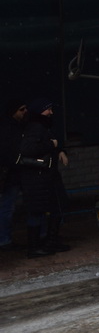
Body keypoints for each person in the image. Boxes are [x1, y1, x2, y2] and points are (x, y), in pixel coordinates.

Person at [17, 98, 70, 257]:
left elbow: (50, 142)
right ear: (40, 111)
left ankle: (49, 241)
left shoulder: (42, 126)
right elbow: (28, 149)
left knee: (54, 207)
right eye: (48, 109)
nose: (51, 112)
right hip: (38, 178)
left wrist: (59, 149)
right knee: (38, 211)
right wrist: (52, 146)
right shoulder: (35, 127)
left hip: (45, 176)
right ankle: (35, 247)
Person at [1, 99, 28, 250]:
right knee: (8, 206)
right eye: (21, 109)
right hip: (13, 173)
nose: (25, 112)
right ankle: (4, 239)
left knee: (9, 206)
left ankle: (5, 238)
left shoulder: (17, 126)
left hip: (16, 172)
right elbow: (8, 152)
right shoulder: (9, 128)